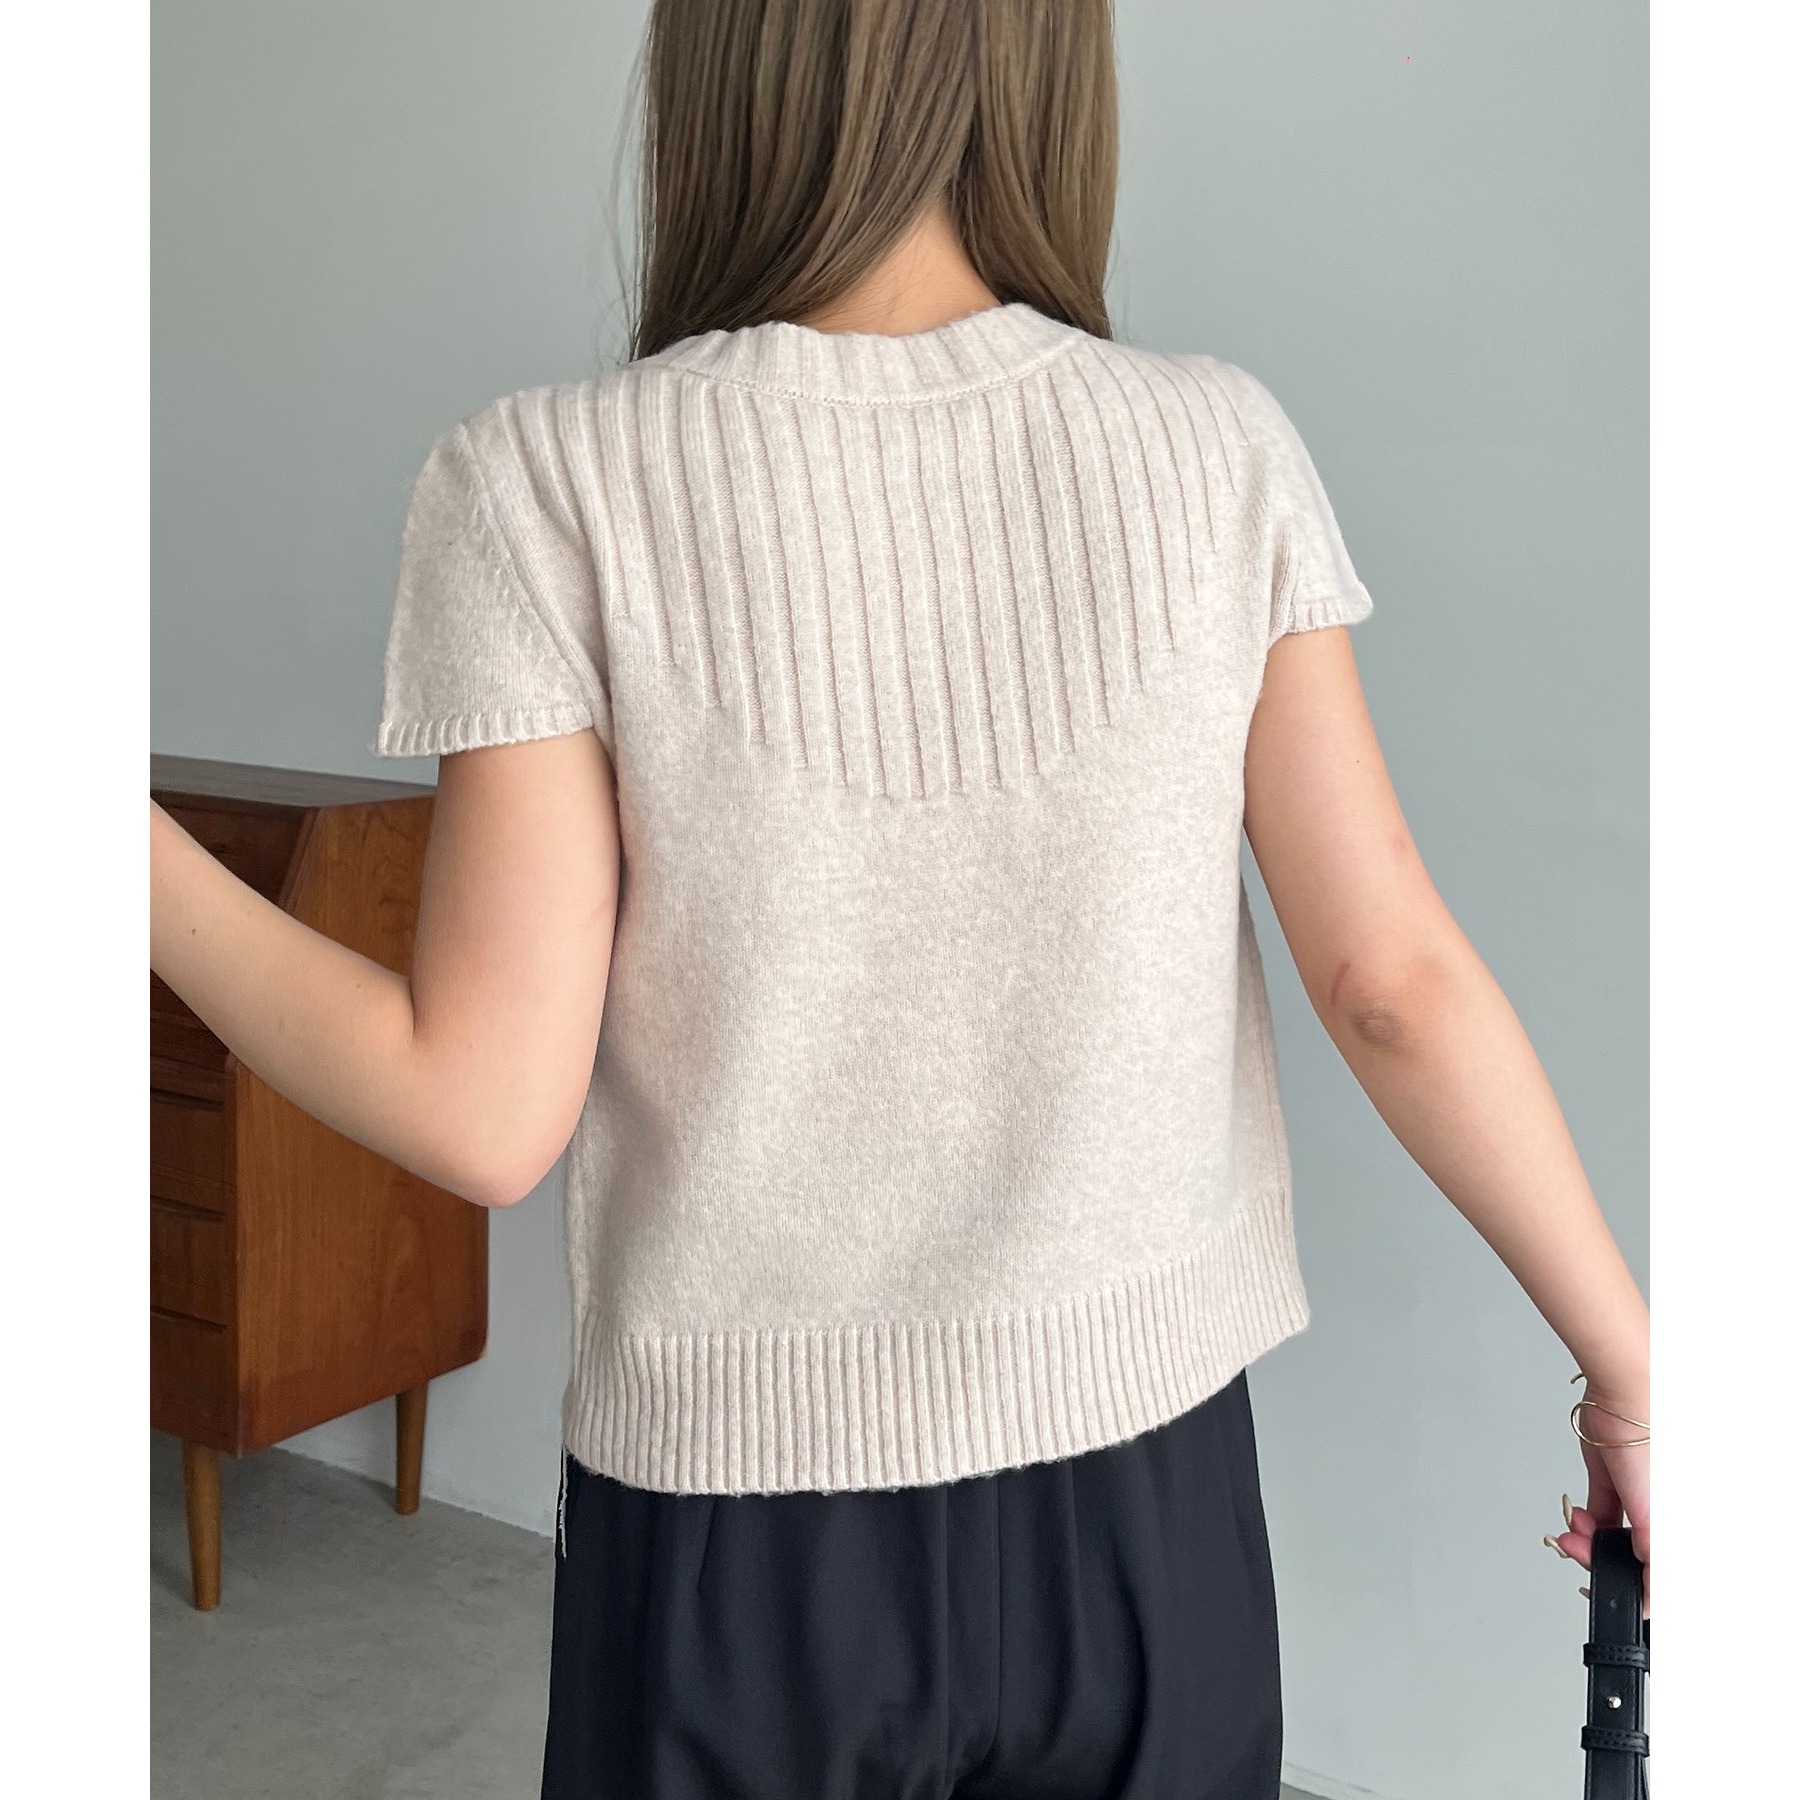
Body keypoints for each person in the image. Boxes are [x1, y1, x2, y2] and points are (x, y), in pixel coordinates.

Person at [149, 2, 1649, 1795]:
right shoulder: (1215, 448)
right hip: (1148, 1501)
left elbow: (483, 1111)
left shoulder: (545, 481)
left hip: (740, 1539)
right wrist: (1628, 1368)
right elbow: (1390, 980)